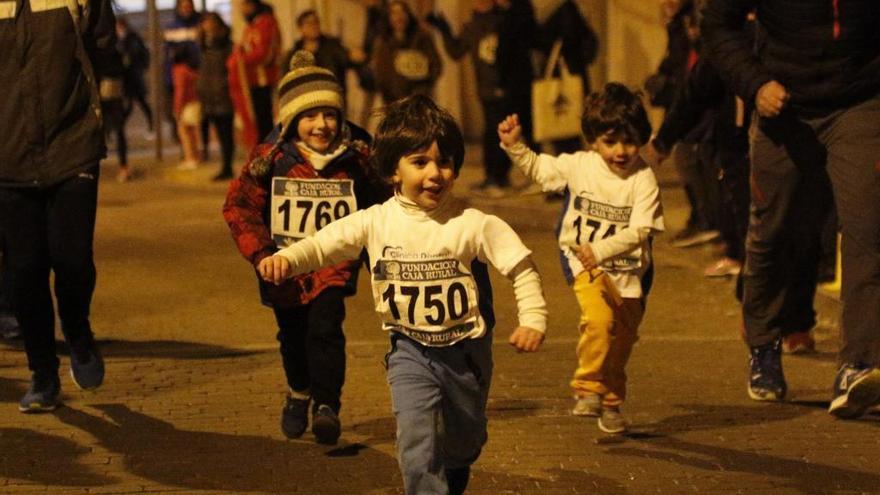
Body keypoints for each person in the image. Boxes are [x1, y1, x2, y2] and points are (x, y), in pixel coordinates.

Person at [258, 94, 547, 494]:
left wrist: (533, 318)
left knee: (464, 440)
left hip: (466, 353)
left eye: (445, 162)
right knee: (415, 443)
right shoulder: (376, 221)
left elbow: (521, 266)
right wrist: (287, 259)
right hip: (409, 350)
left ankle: (457, 464)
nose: (435, 173)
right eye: (420, 162)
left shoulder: (473, 223)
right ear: (393, 169)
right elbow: (326, 243)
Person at [702, 0, 880, 418]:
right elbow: (716, 23)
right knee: (773, 230)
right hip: (783, 104)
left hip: (859, 102)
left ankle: (857, 365)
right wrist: (755, 83)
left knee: (868, 232)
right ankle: (763, 343)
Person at [223, 51, 387, 445]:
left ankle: (327, 406)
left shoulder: (358, 158)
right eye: (310, 116)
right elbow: (239, 206)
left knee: (326, 327)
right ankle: (299, 391)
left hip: (333, 264)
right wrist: (263, 256)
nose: (322, 125)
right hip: (284, 267)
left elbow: (381, 209)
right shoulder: (270, 159)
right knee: (292, 334)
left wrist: (381, 258)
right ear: (292, 118)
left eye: (330, 114)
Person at [498, 82, 665, 434]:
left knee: (620, 343)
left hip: (632, 271)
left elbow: (641, 231)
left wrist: (601, 249)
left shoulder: (643, 178)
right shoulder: (580, 166)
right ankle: (588, 389)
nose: (621, 151)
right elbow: (542, 171)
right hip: (583, 263)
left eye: (630, 141)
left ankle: (612, 403)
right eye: (610, 141)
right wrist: (516, 147)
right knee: (599, 320)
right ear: (593, 140)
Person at [0, 0, 120, 412]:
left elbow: (105, 50)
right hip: (7, 156)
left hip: (74, 147)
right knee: (24, 270)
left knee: (72, 260)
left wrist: (107, 116)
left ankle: (77, 330)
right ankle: (43, 374)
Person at [428, 0, 539, 197]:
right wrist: (443, 29)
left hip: (507, 87)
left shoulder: (505, 21)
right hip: (486, 89)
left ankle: (502, 177)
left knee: (509, 132)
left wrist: (505, 82)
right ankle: (494, 178)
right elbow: (456, 51)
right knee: (491, 133)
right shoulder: (472, 26)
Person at [282, 9, 366, 99]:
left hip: (332, 98)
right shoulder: (294, 53)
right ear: (300, 28)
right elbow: (286, 81)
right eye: (308, 23)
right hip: (306, 101)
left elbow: (347, 58)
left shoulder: (332, 46)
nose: (314, 26)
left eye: (316, 22)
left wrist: (355, 57)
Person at [230, 0, 282, 147]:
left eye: (245, 6)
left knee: (264, 121)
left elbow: (265, 53)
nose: (243, 10)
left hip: (262, 79)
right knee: (255, 121)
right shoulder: (251, 26)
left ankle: (268, 155)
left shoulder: (267, 23)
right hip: (250, 80)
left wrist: (241, 59)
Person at [371, 0, 443, 104]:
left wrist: (422, 87)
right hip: (394, 103)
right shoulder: (383, 44)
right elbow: (381, 76)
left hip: (419, 101)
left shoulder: (422, 38)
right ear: (389, 17)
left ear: (408, 14)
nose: (399, 17)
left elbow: (436, 66)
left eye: (402, 12)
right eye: (394, 13)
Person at [198, 12, 236, 181]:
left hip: (223, 94)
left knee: (226, 132)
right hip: (209, 95)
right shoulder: (205, 45)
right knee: (219, 132)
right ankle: (224, 164)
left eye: (210, 23)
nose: (207, 27)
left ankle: (227, 166)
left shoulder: (227, 45)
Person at [162, 0, 201, 143]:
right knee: (177, 114)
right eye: (183, 7)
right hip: (175, 77)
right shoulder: (171, 27)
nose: (186, 9)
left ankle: (198, 150)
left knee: (194, 116)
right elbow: (167, 55)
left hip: (194, 76)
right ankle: (184, 149)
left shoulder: (199, 24)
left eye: (189, 6)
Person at [116, 16, 154, 136]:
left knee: (140, 103)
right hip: (125, 78)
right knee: (128, 106)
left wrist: (141, 67)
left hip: (134, 76)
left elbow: (142, 53)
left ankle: (150, 125)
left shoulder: (133, 38)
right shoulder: (115, 39)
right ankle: (119, 128)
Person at [171, 47, 201, 170]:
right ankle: (195, 157)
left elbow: (180, 91)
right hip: (195, 101)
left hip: (186, 104)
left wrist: (177, 108)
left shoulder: (178, 71)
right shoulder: (190, 69)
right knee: (192, 132)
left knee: (184, 132)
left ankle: (190, 158)